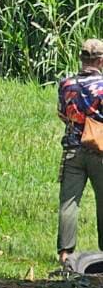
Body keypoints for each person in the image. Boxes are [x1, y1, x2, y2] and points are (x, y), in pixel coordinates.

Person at [58, 38, 103, 268]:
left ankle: (65, 254)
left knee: (69, 202)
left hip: (73, 150)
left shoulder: (66, 84)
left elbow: (62, 114)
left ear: (81, 59)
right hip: (100, 151)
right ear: (100, 60)